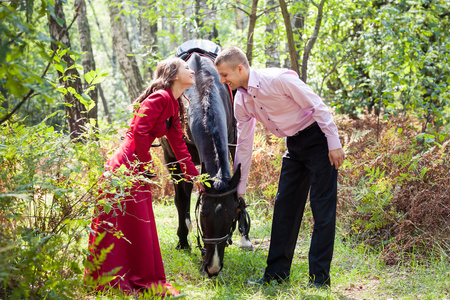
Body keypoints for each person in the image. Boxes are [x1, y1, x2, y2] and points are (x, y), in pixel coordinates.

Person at [214, 47, 345, 288]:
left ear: (240, 69)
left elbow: (318, 105)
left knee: (322, 210)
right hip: (294, 146)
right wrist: (238, 187)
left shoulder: (277, 79)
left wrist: (333, 142)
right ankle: (276, 274)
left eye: (224, 75)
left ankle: (319, 280)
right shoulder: (241, 100)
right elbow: (244, 143)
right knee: (284, 208)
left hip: (319, 140)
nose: (222, 81)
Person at [86, 57, 202, 296]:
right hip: (126, 163)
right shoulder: (159, 98)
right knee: (127, 221)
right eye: (186, 68)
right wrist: (145, 164)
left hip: (136, 162)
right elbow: (139, 131)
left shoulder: (174, 103)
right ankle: (113, 278)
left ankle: (139, 276)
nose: (191, 71)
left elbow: (179, 144)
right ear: (172, 75)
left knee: (138, 223)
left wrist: (194, 176)